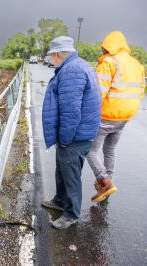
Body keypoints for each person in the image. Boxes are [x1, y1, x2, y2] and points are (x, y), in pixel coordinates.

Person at [41, 36, 102, 229]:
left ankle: (72, 213)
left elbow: (71, 111)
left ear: (59, 54)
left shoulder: (71, 71)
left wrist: (65, 139)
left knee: (70, 175)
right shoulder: (77, 65)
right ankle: (60, 201)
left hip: (75, 136)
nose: (51, 59)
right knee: (62, 169)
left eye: (52, 55)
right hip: (79, 133)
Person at [87, 31, 146, 202]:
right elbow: (141, 91)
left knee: (89, 150)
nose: (103, 51)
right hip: (125, 115)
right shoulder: (136, 64)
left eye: (104, 48)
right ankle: (106, 186)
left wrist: (89, 114)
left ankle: (104, 182)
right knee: (110, 150)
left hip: (107, 115)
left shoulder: (109, 62)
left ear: (108, 46)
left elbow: (98, 93)